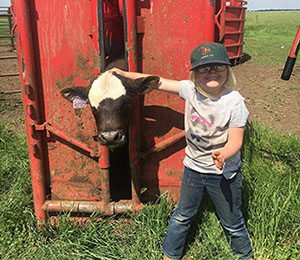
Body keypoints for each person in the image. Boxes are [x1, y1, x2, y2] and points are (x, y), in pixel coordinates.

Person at [111, 42, 254, 260]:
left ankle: (245, 255)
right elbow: (156, 81)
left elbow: (236, 140)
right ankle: (170, 254)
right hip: (194, 170)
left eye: (218, 66)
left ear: (227, 69)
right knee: (182, 215)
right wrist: (123, 74)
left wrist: (223, 154)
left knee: (232, 221)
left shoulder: (234, 102)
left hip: (223, 174)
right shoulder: (190, 90)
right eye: (205, 68)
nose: (212, 72)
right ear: (195, 73)